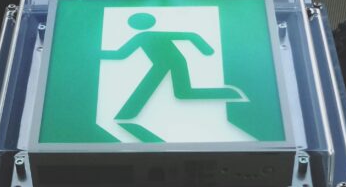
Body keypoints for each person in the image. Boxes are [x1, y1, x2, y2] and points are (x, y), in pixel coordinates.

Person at [100, 12, 245, 120]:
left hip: (175, 62)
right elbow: (121, 54)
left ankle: (126, 114)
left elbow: (190, 36)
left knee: (183, 93)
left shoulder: (147, 36)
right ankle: (127, 114)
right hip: (162, 65)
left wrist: (206, 50)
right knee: (183, 93)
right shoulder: (141, 37)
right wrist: (98, 53)